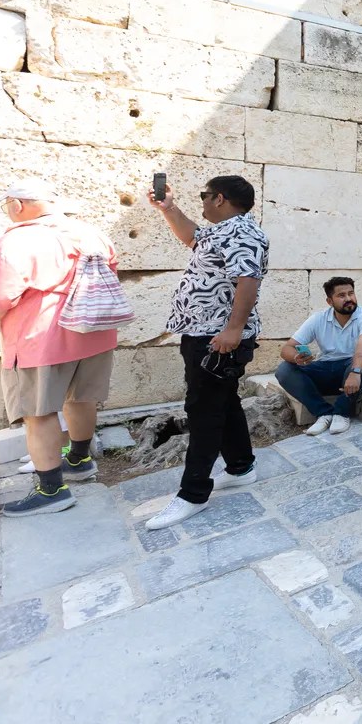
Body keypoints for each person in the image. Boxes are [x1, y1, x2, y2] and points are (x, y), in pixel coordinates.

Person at [0, 179, 118, 517]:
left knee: (38, 412)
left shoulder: (15, 241)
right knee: (81, 397)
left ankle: (51, 489)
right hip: (92, 331)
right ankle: (80, 460)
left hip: (41, 337)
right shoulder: (91, 233)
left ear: (17, 204)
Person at [145, 176, 267, 530]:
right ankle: (241, 467)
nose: (201, 202)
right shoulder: (221, 230)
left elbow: (248, 280)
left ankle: (192, 494)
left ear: (220, 198)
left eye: (204, 196)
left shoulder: (244, 233)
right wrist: (169, 208)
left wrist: (232, 330)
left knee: (203, 410)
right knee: (223, 401)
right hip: (201, 332)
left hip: (217, 337)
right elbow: (191, 237)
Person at [277, 277, 362, 436]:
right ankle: (323, 413)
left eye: (351, 293)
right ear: (329, 301)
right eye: (341, 295)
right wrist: (297, 357)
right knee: (284, 370)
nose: (348, 299)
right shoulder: (319, 318)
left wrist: (355, 372)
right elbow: (287, 348)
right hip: (326, 368)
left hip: (354, 371)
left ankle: (342, 413)